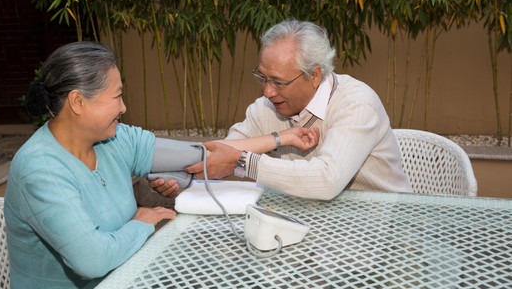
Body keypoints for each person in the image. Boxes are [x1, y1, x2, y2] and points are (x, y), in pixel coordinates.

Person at [5, 41, 318, 288]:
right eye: (116, 97)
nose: (124, 107)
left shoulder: (115, 140)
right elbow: (92, 261)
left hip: (129, 276)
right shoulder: (40, 169)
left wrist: (281, 138)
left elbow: (201, 155)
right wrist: (141, 223)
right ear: (77, 102)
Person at [153, 19, 412, 200]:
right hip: (313, 227)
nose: (267, 91)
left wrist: (243, 162)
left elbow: (327, 180)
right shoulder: (266, 108)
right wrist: (182, 177)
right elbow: (221, 154)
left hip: (384, 230)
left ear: (314, 75)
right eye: (263, 77)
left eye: (278, 82)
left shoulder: (355, 104)